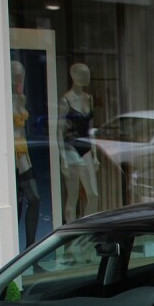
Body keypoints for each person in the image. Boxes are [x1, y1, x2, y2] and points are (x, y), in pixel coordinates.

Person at [59, 62, 99, 223]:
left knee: (93, 195)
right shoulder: (65, 101)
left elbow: (90, 128)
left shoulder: (88, 98)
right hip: (71, 149)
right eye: (84, 74)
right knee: (73, 196)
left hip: (87, 147)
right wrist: (63, 159)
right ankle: (72, 238)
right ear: (74, 76)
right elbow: (58, 132)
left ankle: (88, 232)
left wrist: (95, 154)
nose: (87, 77)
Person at [11, 61, 41, 247]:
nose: (20, 80)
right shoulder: (4, 100)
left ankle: (30, 249)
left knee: (34, 199)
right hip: (11, 155)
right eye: (17, 76)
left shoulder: (21, 99)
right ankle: (12, 247)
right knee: (17, 204)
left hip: (23, 155)